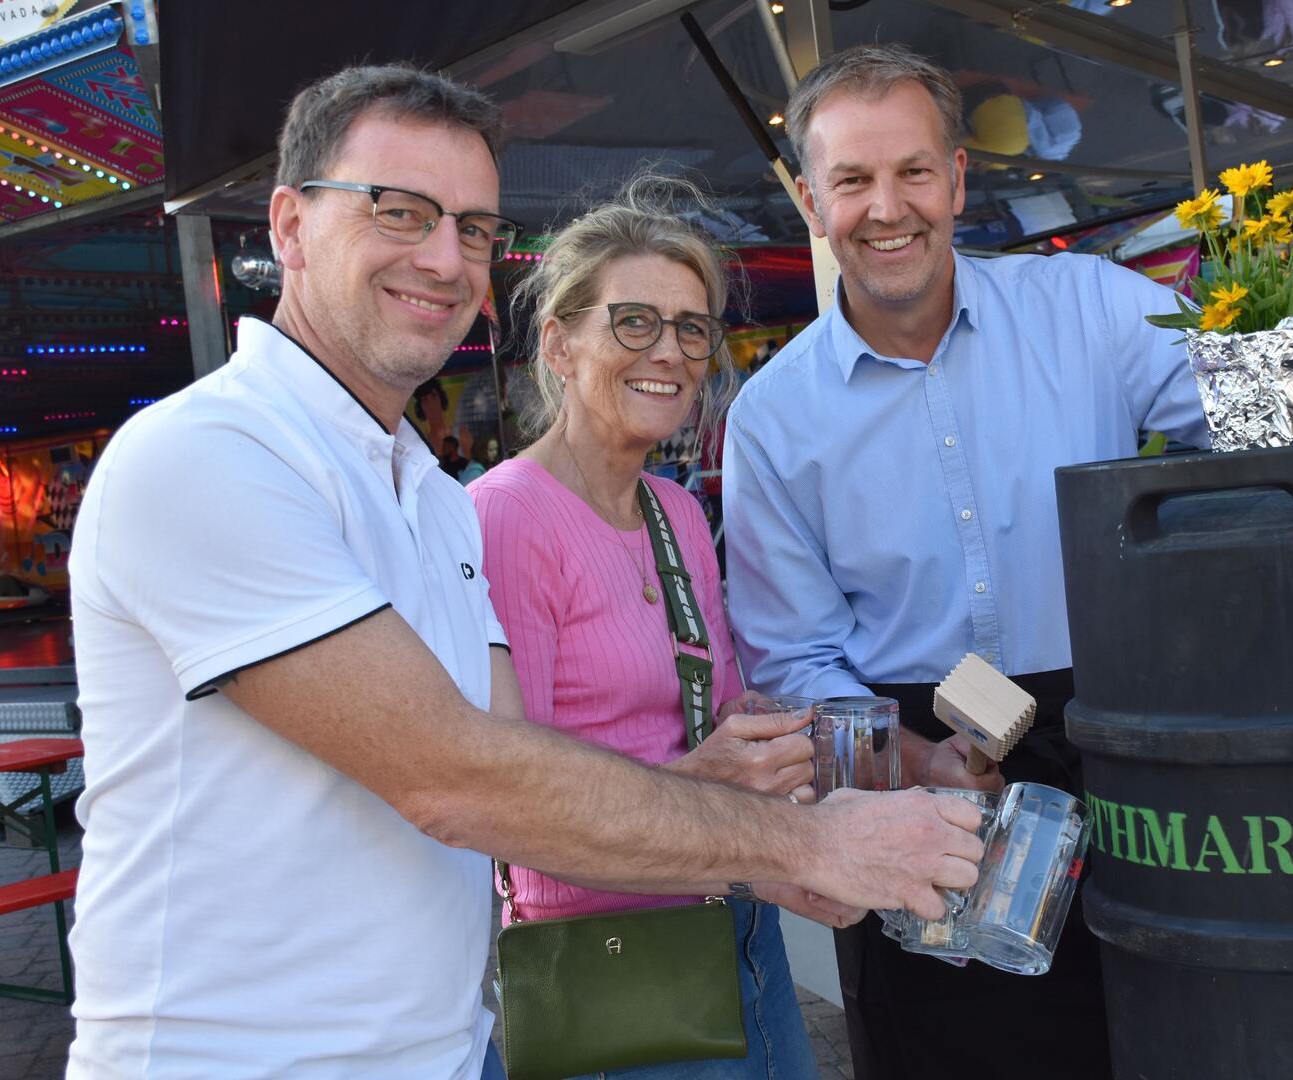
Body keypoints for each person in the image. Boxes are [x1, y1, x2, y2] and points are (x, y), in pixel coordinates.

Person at [66, 62, 986, 1079]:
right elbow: (459, 777)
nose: (445, 257)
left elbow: (524, 771)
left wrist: (779, 837)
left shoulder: (422, 493)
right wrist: (804, 847)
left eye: (474, 228)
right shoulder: (209, 455)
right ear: (289, 226)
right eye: (401, 211)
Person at [721, 44, 1293, 1080]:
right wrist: (913, 765)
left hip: (1133, 758)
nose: (889, 208)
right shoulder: (773, 419)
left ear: (959, 177)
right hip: (917, 783)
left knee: (1174, 1035)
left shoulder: (1086, 307)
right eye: (853, 180)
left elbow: (1239, 395)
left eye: (914, 172)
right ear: (808, 197)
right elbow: (795, 662)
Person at [471, 178, 899, 1079]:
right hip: (617, 965)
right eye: (634, 321)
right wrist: (695, 793)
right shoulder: (507, 519)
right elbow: (514, 821)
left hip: (740, 924)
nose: (669, 350)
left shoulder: (673, 509)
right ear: (558, 342)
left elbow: (729, 720)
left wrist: (840, 787)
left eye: (691, 327)